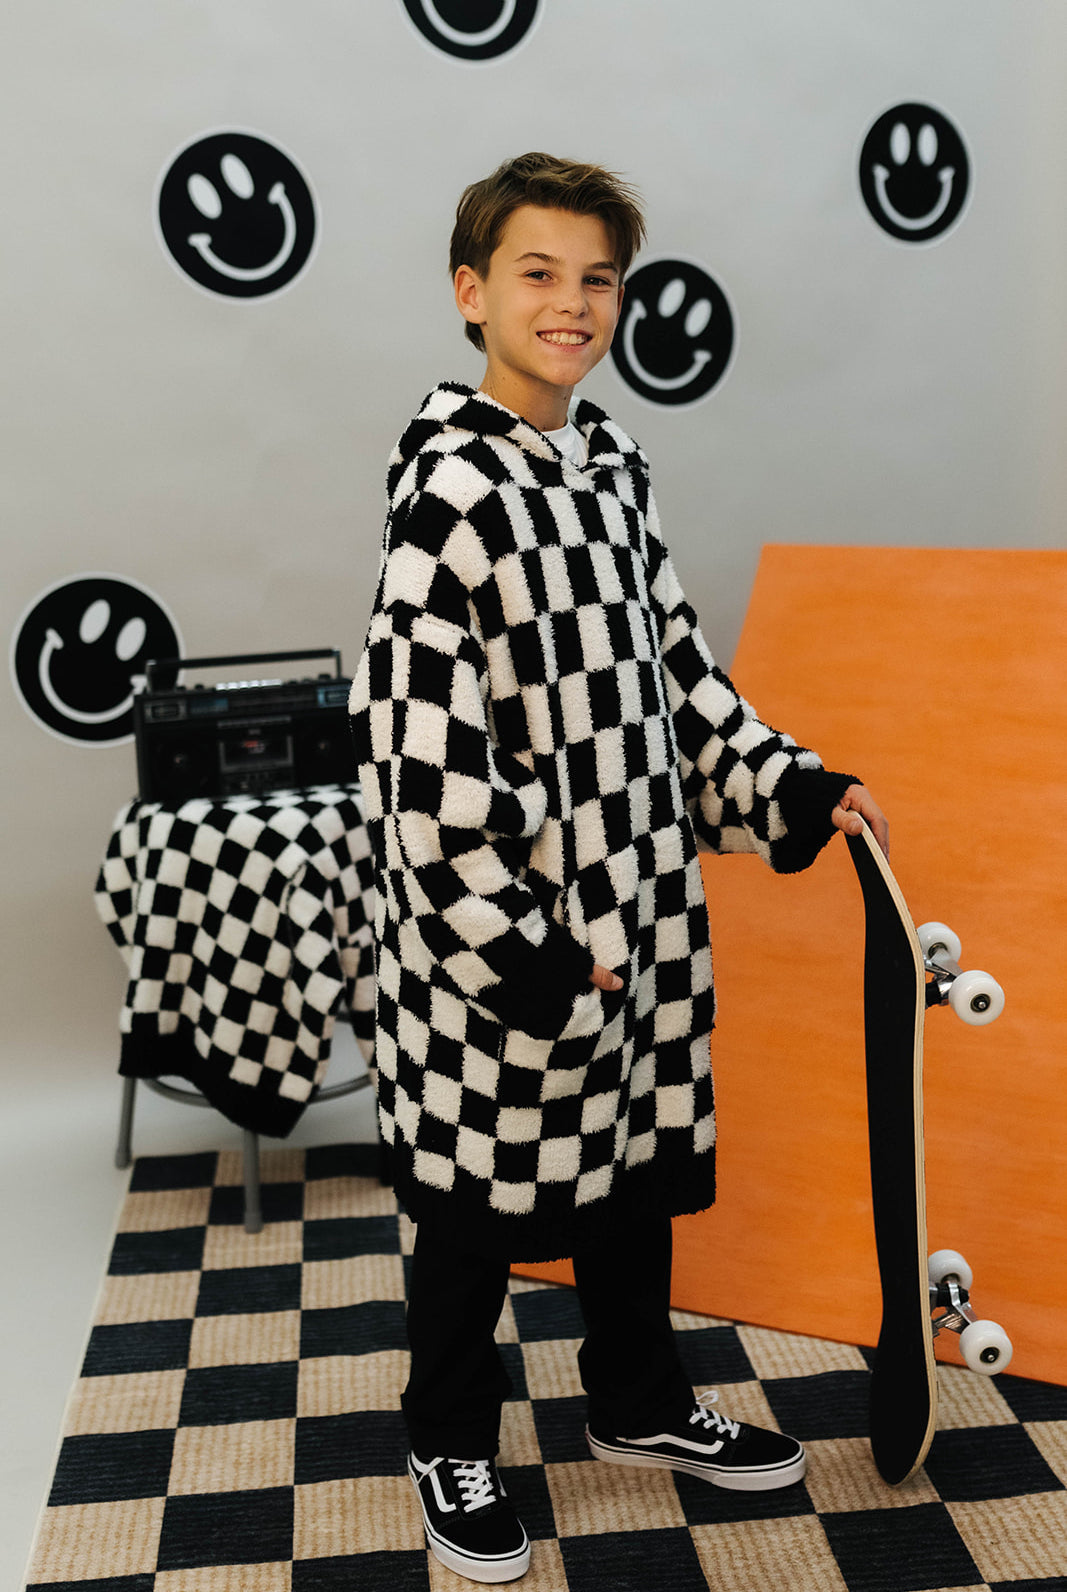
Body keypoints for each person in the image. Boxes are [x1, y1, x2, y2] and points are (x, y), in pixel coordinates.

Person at [348, 151, 888, 1585]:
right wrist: (510, 940)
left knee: (629, 1176)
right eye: (538, 273)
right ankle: (448, 1433)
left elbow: (674, 679)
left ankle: (638, 1403)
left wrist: (787, 787)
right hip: (507, 936)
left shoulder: (613, 465)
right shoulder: (448, 497)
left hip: (640, 904)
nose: (572, 303)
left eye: (596, 278)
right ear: (472, 295)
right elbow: (415, 763)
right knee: (472, 1208)